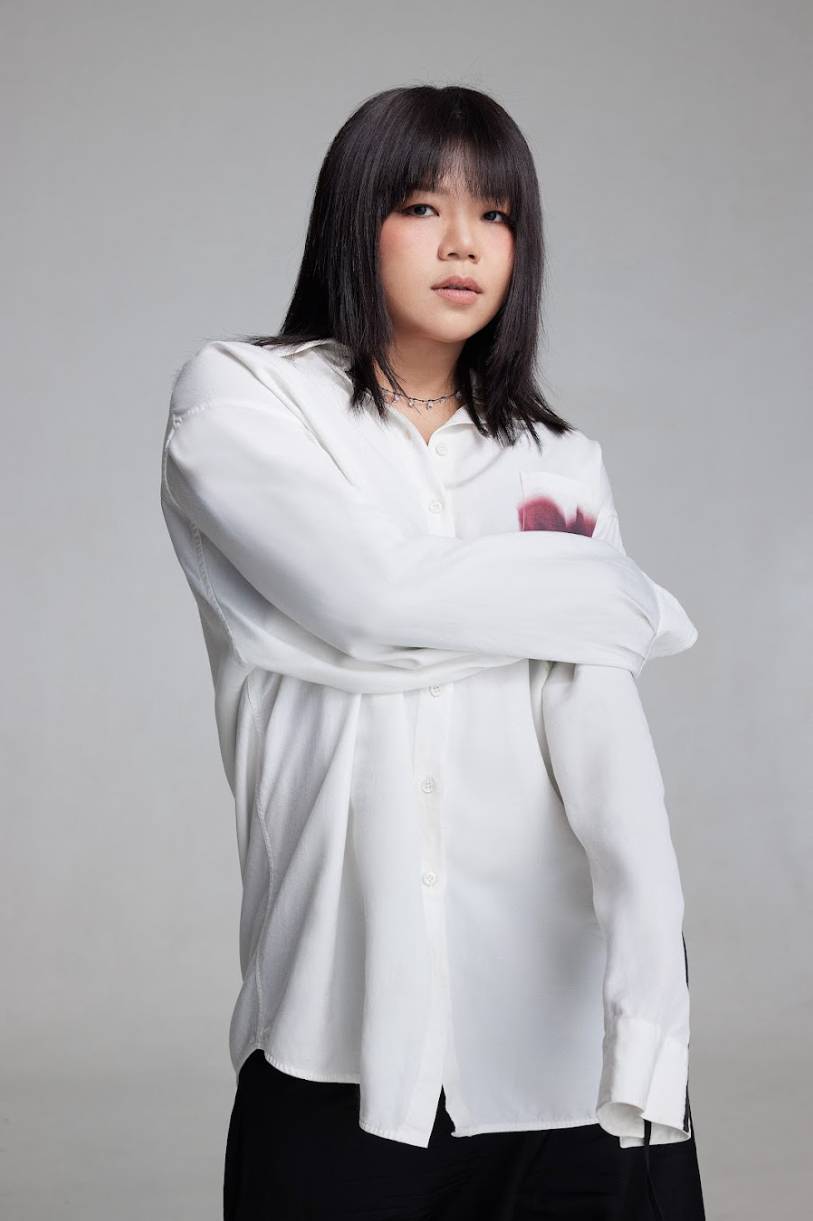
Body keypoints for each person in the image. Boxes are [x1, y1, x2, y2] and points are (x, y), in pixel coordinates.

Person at [160, 84, 706, 1219]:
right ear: (353, 222)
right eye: (421, 207)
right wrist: (611, 595)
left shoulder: (559, 460)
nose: (465, 244)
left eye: (496, 216)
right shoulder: (245, 399)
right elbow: (367, 600)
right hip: (336, 1026)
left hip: (570, 1042)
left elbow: (605, 750)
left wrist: (653, 1011)